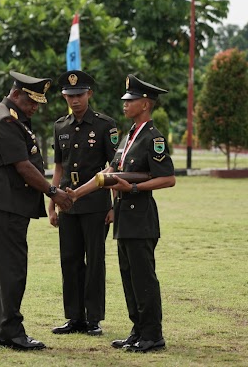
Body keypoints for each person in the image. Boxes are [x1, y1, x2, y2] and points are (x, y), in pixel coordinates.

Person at [67, 74, 176, 353]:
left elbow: (167, 178)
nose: (125, 105)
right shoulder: (129, 136)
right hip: (124, 216)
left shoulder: (153, 138)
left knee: (143, 277)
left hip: (141, 217)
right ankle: (137, 330)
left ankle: (153, 335)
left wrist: (135, 187)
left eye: (131, 101)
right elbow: (108, 173)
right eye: (125, 101)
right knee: (129, 276)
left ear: (145, 104)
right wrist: (76, 194)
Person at [0, 70, 73, 350]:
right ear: (16, 94)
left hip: (6, 201)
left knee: (4, 268)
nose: (34, 107)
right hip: (6, 202)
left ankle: (0, 329)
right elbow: (23, 167)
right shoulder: (7, 120)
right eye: (31, 101)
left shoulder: (10, 114)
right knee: (13, 269)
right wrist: (53, 192)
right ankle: (11, 332)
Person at [48, 70, 119, 336]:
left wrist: (114, 205)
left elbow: (113, 168)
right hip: (67, 202)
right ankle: (74, 317)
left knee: (95, 260)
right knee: (70, 260)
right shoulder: (60, 126)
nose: (74, 100)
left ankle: (93, 318)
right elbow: (58, 165)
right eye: (69, 95)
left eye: (79, 95)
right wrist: (52, 200)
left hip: (96, 204)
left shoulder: (105, 125)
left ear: (89, 93)